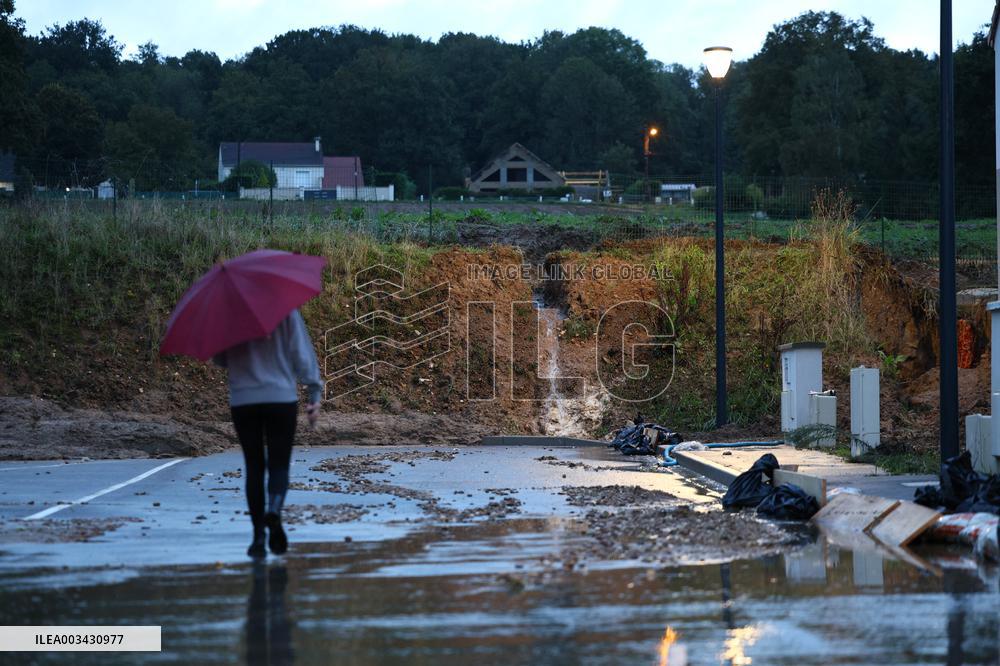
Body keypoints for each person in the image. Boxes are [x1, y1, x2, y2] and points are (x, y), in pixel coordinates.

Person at [214, 309, 322, 558]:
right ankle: (274, 507)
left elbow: (220, 359)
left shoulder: (230, 312)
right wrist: (314, 392)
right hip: (280, 397)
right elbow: (300, 353)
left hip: (244, 400)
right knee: (279, 463)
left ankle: (258, 538)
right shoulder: (284, 309)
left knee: (253, 466)